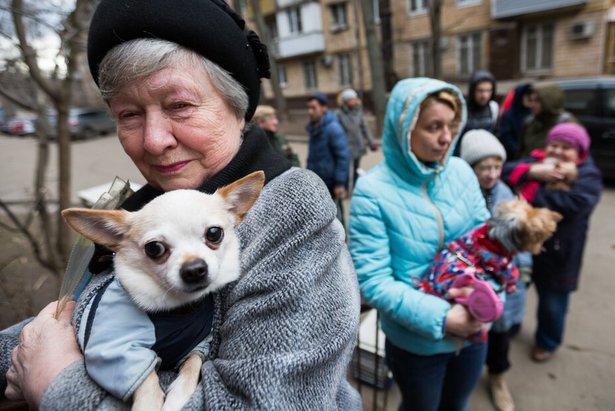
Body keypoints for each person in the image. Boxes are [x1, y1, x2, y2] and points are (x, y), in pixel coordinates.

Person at [0, 0, 362, 409]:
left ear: (237, 105)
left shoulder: (290, 211)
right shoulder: (150, 205)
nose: (154, 140)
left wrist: (55, 383)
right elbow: (76, 319)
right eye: (130, 114)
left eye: (180, 106)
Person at [348, 77, 491, 411]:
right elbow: (374, 281)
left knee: (457, 404)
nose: (446, 137)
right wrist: (444, 318)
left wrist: (489, 297)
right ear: (405, 128)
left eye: (452, 126)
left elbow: (488, 245)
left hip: (474, 328)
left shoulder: (460, 172)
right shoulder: (373, 191)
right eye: (433, 126)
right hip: (417, 343)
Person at [503, 122, 602, 363]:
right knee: (515, 291)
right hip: (524, 247)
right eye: (554, 145)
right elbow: (504, 170)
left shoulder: (588, 174)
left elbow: (576, 204)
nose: (557, 152)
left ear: (579, 151)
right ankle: (511, 325)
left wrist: (534, 193)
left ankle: (547, 342)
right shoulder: (536, 161)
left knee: (552, 304)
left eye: (566, 147)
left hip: (561, 254)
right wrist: (532, 172)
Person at [460, 130, 532, 411]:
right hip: (471, 282)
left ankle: (498, 379)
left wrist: (524, 271)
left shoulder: (508, 197)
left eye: (497, 167)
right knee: (471, 333)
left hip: (503, 283)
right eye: (484, 168)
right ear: (470, 168)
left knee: (500, 339)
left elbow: (524, 238)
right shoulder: (461, 196)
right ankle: (464, 380)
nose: (492, 174)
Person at [306, 92, 351, 200]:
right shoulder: (314, 128)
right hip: (316, 180)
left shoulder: (333, 128)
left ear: (324, 108)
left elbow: (343, 157)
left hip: (330, 182)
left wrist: (340, 183)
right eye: (308, 108)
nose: (310, 111)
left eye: (313, 108)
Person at [516, 82, 575, 159]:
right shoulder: (530, 122)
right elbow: (521, 150)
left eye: (537, 101)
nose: (532, 104)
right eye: (531, 100)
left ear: (548, 101)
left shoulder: (566, 123)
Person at [335, 88, 377, 190]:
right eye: (350, 99)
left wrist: (371, 141)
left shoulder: (359, 111)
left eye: (353, 99)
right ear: (345, 101)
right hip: (345, 145)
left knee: (356, 168)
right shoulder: (339, 113)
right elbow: (335, 130)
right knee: (345, 168)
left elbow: (365, 127)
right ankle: (343, 187)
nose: (352, 101)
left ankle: (354, 188)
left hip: (358, 144)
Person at [456, 70, 499, 155]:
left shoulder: (493, 107)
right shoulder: (462, 108)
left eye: (488, 91)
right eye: (480, 90)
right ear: (473, 91)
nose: (484, 95)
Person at [497, 83, 533, 162]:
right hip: (513, 157)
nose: (530, 98)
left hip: (530, 156)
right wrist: (518, 152)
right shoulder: (509, 115)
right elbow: (506, 136)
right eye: (527, 95)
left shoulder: (533, 113)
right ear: (520, 96)